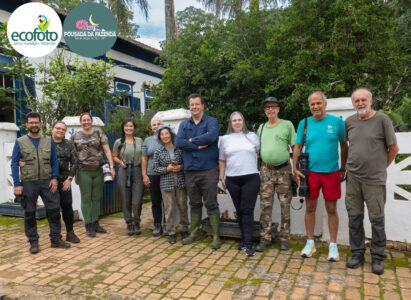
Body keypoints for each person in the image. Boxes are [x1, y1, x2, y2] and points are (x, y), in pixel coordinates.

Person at [345, 88, 399, 275]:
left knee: (377, 220)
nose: (360, 103)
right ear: (353, 103)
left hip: (374, 181)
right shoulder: (349, 122)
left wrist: (380, 167)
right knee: (354, 218)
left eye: (363, 100)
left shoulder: (383, 120)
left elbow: (393, 148)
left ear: (371, 100)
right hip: (353, 178)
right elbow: (349, 146)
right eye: (357, 100)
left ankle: (377, 257)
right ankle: (357, 253)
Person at [293, 91, 348, 261]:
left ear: (325, 104)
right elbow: (297, 147)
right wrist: (295, 169)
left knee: (331, 209)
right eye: (312, 104)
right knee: (310, 208)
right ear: (309, 106)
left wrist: (343, 168)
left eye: (318, 103)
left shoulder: (338, 122)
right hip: (310, 173)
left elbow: (344, 147)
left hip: (331, 172)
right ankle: (310, 243)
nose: (316, 106)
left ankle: (333, 245)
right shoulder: (305, 123)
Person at [11, 112, 70, 254]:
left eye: (36, 122)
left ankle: (55, 239)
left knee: (55, 210)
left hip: (47, 181)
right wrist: (17, 184)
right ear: (27, 125)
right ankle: (33, 241)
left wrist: (55, 178)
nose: (34, 125)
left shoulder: (48, 140)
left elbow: (54, 161)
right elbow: (14, 163)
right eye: (31, 122)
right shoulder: (20, 141)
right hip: (28, 182)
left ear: (40, 124)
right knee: (29, 212)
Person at [176, 93, 221, 249]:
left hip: (208, 169)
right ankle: (194, 232)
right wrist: (197, 144)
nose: (194, 107)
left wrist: (191, 141)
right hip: (190, 170)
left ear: (202, 105)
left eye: (197, 104)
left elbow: (212, 137)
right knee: (194, 203)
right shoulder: (184, 125)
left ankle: (216, 236)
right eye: (191, 104)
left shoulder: (211, 121)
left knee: (211, 203)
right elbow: (179, 142)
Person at [255, 97, 296, 252]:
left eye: (273, 106)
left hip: (284, 170)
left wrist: (296, 169)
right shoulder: (261, 127)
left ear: (278, 109)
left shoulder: (287, 125)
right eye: (267, 107)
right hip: (266, 171)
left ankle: (285, 238)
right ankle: (265, 238)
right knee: (265, 206)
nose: (270, 109)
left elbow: (295, 147)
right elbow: (258, 150)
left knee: (285, 206)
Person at [219, 112, 260, 256]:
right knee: (240, 209)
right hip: (232, 179)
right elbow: (222, 159)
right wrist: (222, 177)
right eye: (234, 120)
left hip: (251, 177)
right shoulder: (225, 139)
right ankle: (243, 239)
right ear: (230, 123)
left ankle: (248, 243)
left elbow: (261, 154)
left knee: (247, 210)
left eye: (239, 120)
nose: (237, 122)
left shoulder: (252, 136)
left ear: (243, 121)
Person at [71, 112, 115, 237]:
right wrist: (74, 173)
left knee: (96, 198)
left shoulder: (99, 133)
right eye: (83, 120)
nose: (86, 122)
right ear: (81, 122)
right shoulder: (75, 136)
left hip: (99, 170)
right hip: (83, 171)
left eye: (88, 120)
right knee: (86, 198)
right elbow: (73, 156)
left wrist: (111, 167)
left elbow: (107, 150)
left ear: (91, 121)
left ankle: (95, 222)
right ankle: (88, 225)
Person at [153, 125, 189, 244]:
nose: (165, 136)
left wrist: (181, 167)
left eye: (166, 134)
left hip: (180, 182)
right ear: (160, 137)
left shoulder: (179, 149)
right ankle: (171, 232)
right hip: (166, 184)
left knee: (183, 206)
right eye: (162, 134)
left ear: (171, 135)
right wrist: (167, 169)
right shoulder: (158, 151)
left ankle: (184, 229)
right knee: (169, 209)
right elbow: (155, 168)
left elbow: (186, 163)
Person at [112, 118, 144, 236]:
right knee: (125, 199)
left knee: (137, 200)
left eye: (131, 126)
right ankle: (129, 223)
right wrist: (120, 162)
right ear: (123, 128)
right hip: (124, 170)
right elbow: (114, 156)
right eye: (126, 126)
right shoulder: (118, 142)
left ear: (134, 128)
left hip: (137, 170)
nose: (129, 128)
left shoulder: (140, 140)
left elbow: (144, 157)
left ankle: (136, 221)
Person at [51, 121, 80, 243]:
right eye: (58, 128)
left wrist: (69, 179)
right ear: (52, 129)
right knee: (53, 208)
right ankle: (55, 235)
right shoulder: (46, 143)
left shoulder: (69, 144)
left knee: (67, 205)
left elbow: (74, 162)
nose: (60, 131)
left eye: (63, 129)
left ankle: (70, 232)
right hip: (49, 181)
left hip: (64, 181)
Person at [142, 118, 164, 236]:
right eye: (154, 125)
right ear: (151, 128)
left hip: (167, 174)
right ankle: (157, 224)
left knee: (168, 201)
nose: (156, 126)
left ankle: (167, 224)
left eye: (158, 124)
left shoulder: (167, 138)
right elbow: (144, 158)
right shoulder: (147, 140)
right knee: (155, 201)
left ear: (163, 125)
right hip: (152, 173)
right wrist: (144, 175)